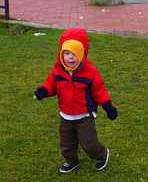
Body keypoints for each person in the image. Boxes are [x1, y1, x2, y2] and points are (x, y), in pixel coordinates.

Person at [34, 28, 118, 173]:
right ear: (61, 54)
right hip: (66, 115)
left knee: (88, 143)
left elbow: (99, 90)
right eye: (67, 53)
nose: (70, 58)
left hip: (84, 115)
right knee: (66, 143)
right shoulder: (58, 70)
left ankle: (101, 154)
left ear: (82, 54)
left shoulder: (90, 72)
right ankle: (71, 161)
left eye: (74, 54)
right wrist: (43, 91)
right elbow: (51, 85)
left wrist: (108, 106)